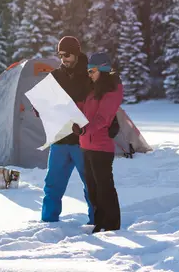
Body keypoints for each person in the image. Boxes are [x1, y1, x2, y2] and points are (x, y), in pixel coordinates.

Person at [41, 36, 94, 224]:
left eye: (67, 54)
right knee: (52, 185)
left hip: (84, 142)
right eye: (60, 54)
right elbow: (46, 103)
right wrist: (39, 108)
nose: (64, 58)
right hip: (60, 140)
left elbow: (99, 106)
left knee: (91, 185)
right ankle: (49, 223)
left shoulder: (90, 76)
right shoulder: (55, 77)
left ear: (77, 53)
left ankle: (98, 223)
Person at [73, 52, 123, 233]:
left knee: (104, 188)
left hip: (101, 147)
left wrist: (85, 129)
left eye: (92, 71)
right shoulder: (93, 90)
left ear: (103, 69)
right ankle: (100, 222)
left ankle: (112, 225)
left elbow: (103, 118)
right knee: (92, 189)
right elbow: (83, 110)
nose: (90, 75)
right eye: (88, 72)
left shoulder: (112, 90)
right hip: (86, 145)